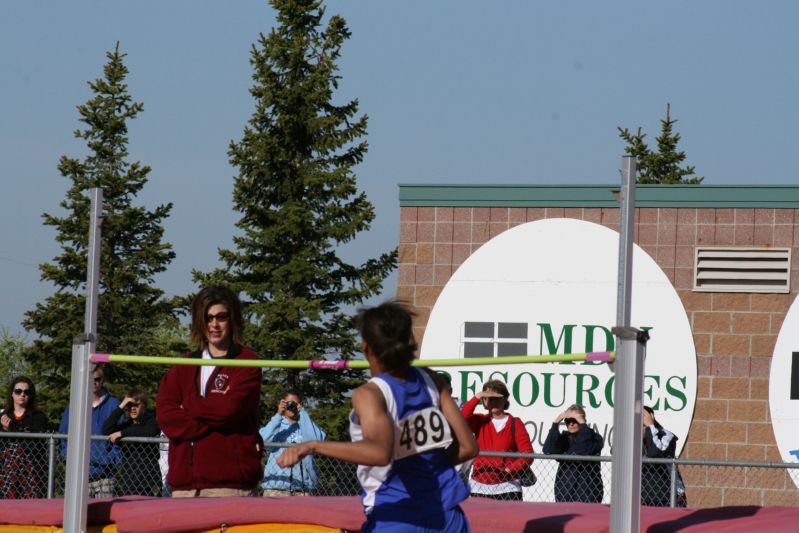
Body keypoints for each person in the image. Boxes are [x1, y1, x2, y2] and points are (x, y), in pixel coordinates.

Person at [277, 302, 478, 533]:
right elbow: (469, 447)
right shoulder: (433, 380)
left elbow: (380, 453)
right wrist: (430, 469)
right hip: (447, 515)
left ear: (366, 346)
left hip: (398, 515)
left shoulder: (370, 394)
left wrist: (313, 446)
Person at [156, 285, 263, 498]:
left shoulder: (247, 362)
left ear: (232, 320)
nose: (214, 324)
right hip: (184, 488)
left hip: (230, 486)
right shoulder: (184, 364)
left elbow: (229, 409)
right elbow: (165, 414)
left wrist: (189, 405)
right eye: (208, 317)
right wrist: (210, 413)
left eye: (221, 317)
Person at [461, 379, 534, 501]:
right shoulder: (479, 421)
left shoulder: (515, 423)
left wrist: (508, 469)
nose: (492, 401)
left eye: (496, 397)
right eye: (487, 398)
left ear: (504, 399)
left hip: (508, 487)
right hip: (479, 486)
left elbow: (527, 454)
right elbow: (462, 417)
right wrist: (478, 396)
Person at [59, 365, 123, 498]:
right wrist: (69, 458)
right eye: (90, 379)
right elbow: (64, 437)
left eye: (97, 379)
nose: (94, 382)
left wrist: (110, 460)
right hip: (78, 475)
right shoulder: (75, 404)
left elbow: (120, 435)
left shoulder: (113, 404)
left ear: (102, 380)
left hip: (105, 474)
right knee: (78, 517)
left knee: (103, 515)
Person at [260, 389, 326, 496]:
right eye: (289, 403)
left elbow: (316, 443)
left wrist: (303, 414)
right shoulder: (276, 425)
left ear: (301, 405)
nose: (291, 406)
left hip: (303, 490)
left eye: (294, 403)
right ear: (282, 404)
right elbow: (262, 440)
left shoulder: (308, 425)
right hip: (276, 488)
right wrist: (278, 415)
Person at [101, 389, 162, 496]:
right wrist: (122, 406)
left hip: (149, 483)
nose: (132, 408)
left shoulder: (152, 420)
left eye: (136, 405)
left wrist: (122, 433)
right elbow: (106, 429)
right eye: (130, 406)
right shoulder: (127, 425)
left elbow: (148, 431)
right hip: (129, 482)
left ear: (143, 406)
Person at [542, 404, 604, 503]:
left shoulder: (595, 438)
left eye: (575, 420)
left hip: (589, 492)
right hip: (564, 491)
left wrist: (583, 424)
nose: (571, 424)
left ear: (582, 420)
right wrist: (556, 422)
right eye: (568, 421)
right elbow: (548, 450)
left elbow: (582, 450)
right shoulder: (564, 439)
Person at [0, 376, 48, 499]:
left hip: (30, 469)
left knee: (16, 452)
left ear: (31, 395)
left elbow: (33, 445)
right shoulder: (3, 416)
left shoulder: (38, 417)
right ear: (12, 393)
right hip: (6, 471)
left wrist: (11, 429)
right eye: (18, 391)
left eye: (27, 392)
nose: (22, 394)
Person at [641, 406, 687, 507]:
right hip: (643, 500)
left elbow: (655, 453)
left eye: (643, 420)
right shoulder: (633, 439)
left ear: (651, 417)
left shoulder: (667, 435)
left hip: (670, 499)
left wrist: (650, 427)